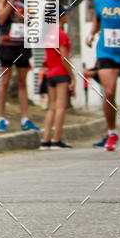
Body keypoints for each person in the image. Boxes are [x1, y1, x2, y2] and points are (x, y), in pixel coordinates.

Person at [86, 0, 120, 156]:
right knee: (110, 91)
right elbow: (98, 20)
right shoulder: (101, 1)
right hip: (106, 52)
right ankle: (111, 132)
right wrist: (91, 34)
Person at [0, 0, 39, 132]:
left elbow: (31, 18)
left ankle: (25, 118)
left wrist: (28, 14)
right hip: (7, 44)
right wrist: (11, 0)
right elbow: (1, 18)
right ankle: (0, 118)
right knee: (4, 81)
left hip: (22, 43)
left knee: (22, 82)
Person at [39, 8, 77, 149]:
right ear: (61, 16)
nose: (68, 15)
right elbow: (64, 58)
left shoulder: (48, 35)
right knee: (61, 107)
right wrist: (72, 77)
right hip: (61, 73)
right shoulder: (61, 34)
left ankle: (45, 139)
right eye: (65, 13)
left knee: (52, 108)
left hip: (50, 73)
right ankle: (56, 139)